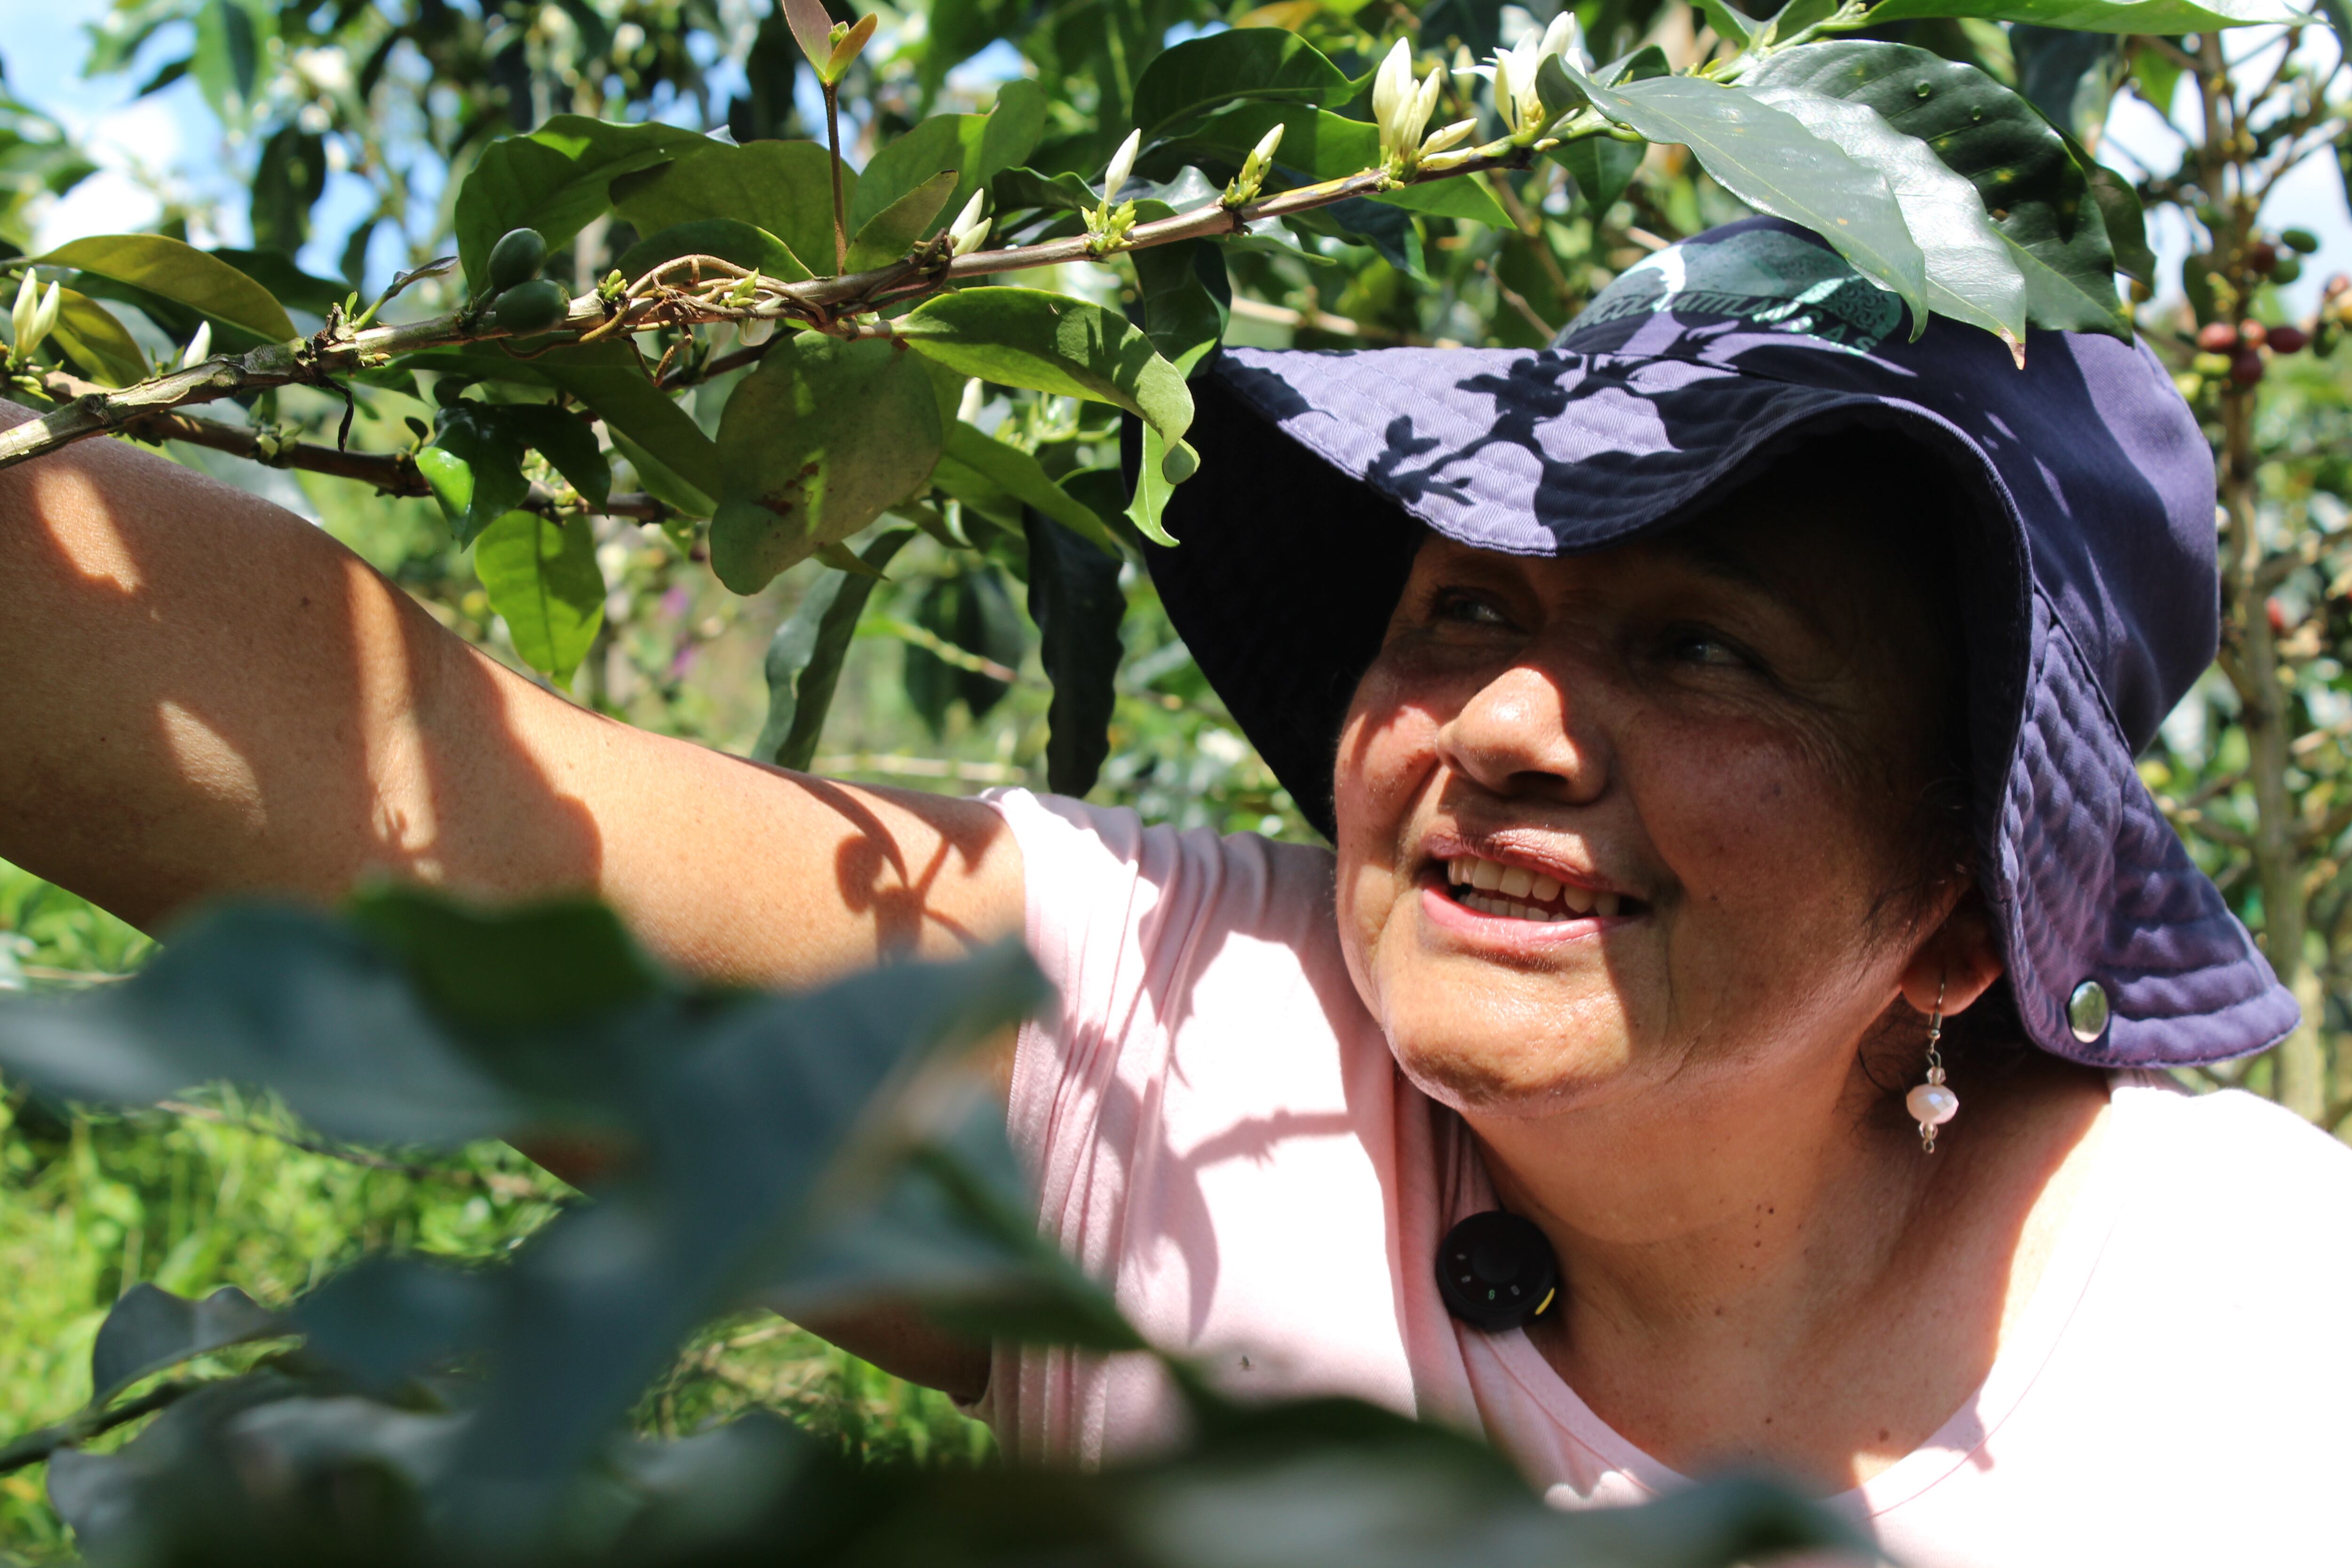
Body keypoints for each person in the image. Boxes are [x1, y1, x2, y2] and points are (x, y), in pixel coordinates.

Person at [1, 215, 2345, 1565]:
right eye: (1461, 610)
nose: (1508, 725)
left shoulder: (2244, 1341)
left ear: (1952, 920)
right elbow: (385, 809)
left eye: (1702, 646)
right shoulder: (1175, 1047)